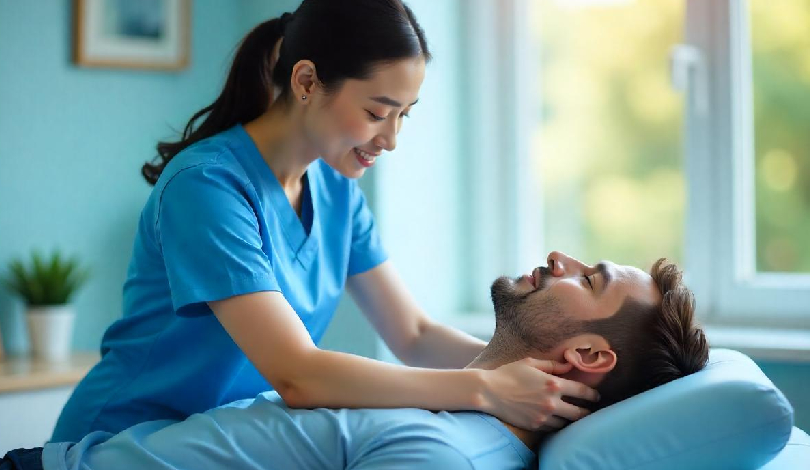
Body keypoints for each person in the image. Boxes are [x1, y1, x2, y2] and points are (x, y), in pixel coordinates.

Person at [50, 0, 598, 444]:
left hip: (218, 445)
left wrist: (549, 374)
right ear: (307, 81)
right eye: (377, 113)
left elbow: (413, 334)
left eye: (404, 115)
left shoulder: (335, 190)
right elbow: (297, 374)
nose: (390, 140)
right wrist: (485, 389)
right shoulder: (208, 187)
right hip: (120, 442)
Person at [3, 252, 709, 470]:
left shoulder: (443, 452)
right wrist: (486, 386)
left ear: (587, 354)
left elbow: (299, 374)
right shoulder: (466, 411)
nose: (562, 258)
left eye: (588, 280)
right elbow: (417, 338)